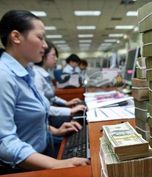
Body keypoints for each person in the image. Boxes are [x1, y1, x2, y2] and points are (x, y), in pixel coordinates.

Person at [0, 10, 90, 171]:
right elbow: (4, 141)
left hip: (42, 152)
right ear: (16, 37)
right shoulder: (3, 76)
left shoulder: (27, 72)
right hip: (22, 167)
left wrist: (55, 130)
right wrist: (55, 164)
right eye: (40, 38)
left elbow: (25, 120)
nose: (45, 45)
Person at [33, 40, 86, 121]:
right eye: (53, 55)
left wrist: (66, 103)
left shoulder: (45, 74)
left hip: (50, 112)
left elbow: (52, 97)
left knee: (80, 115)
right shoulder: (36, 76)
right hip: (46, 117)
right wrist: (70, 110)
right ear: (43, 55)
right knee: (79, 119)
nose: (56, 58)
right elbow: (41, 107)